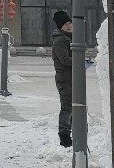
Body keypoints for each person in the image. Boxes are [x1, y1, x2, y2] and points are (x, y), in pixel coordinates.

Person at [51, 10, 73, 148]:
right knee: (67, 107)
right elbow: (64, 59)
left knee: (74, 106)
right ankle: (64, 136)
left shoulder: (70, 38)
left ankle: (76, 131)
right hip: (65, 79)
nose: (69, 26)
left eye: (70, 23)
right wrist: (79, 62)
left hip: (72, 78)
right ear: (60, 26)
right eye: (65, 24)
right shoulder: (60, 40)